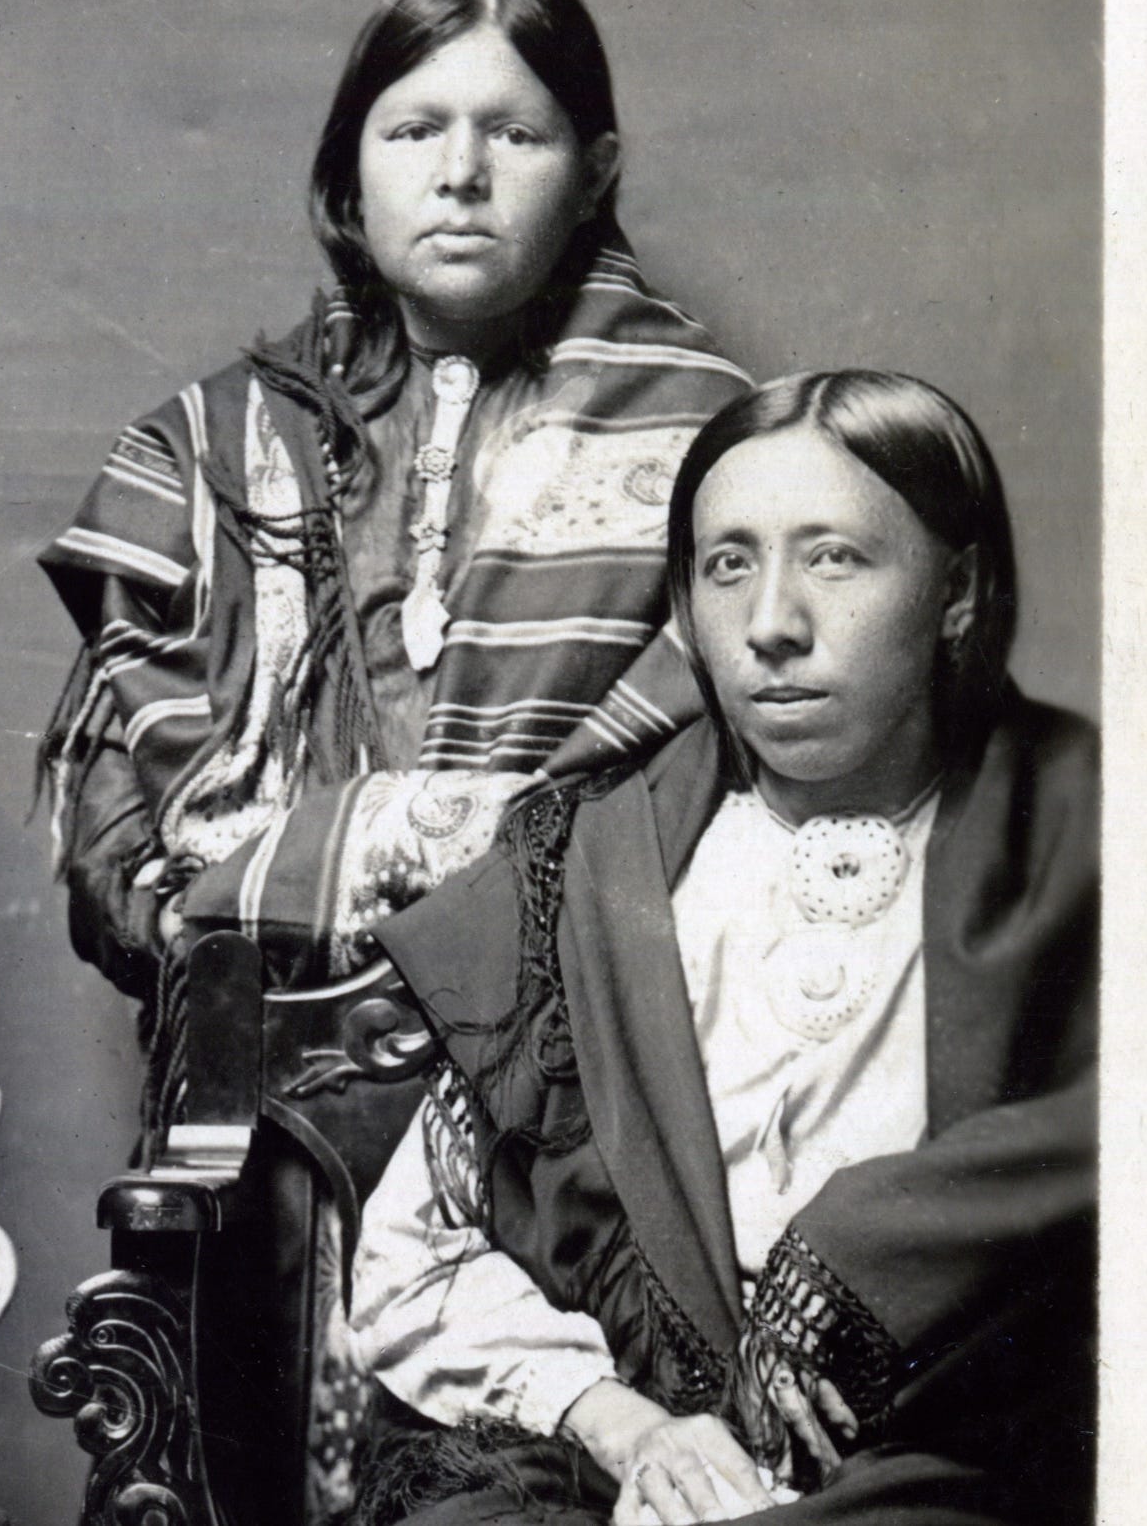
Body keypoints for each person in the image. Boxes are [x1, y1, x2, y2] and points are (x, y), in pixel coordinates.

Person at [346, 371, 1094, 1526]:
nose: (771, 624)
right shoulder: (589, 858)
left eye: (834, 558)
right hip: (614, 1454)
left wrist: (877, 1240)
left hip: (934, 1465)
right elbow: (410, 1254)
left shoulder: (1086, 832)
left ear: (954, 588)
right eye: (727, 563)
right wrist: (632, 1427)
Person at [39, 0, 750, 1005]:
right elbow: (113, 849)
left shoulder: (710, 439)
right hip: (271, 1056)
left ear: (594, 171)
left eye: (514, 134)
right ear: (350, 174)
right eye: (414, 131)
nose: (460, 173)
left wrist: (357, 855)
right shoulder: (210, 454)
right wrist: (210, 929)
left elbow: (723, 795)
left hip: (591, 1031)